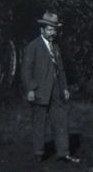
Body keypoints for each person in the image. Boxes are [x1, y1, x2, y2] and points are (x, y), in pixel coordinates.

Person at [21, 11, 79, 163]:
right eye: (49, 29)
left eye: (54, 30)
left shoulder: (56, 47)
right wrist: (30, 89)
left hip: (57, 90)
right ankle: (38, 153)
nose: (52, 33)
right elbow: (26, 70)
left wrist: (65, 88)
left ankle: (63, 152)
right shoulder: (33, 46)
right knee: (39, 123)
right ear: (42, 30)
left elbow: (61, 69)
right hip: (40, 90)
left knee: (60, 121)